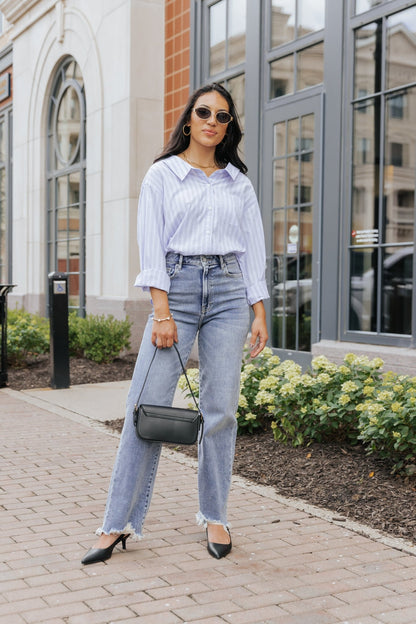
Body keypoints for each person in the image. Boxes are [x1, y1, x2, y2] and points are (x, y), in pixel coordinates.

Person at [81, 83, 269, 565]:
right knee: (145, 406)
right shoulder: (162, 175)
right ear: (189, 120)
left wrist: (259, 310)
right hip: (177, 290)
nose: (212, 121)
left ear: (229, 127)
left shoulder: (238, 183)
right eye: (204, 112)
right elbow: (152, 246)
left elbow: (252, 250)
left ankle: (215, 514)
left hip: (229, 292)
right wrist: (161, 312)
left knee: (222, 409)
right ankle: (116, 523)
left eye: (222, 116)